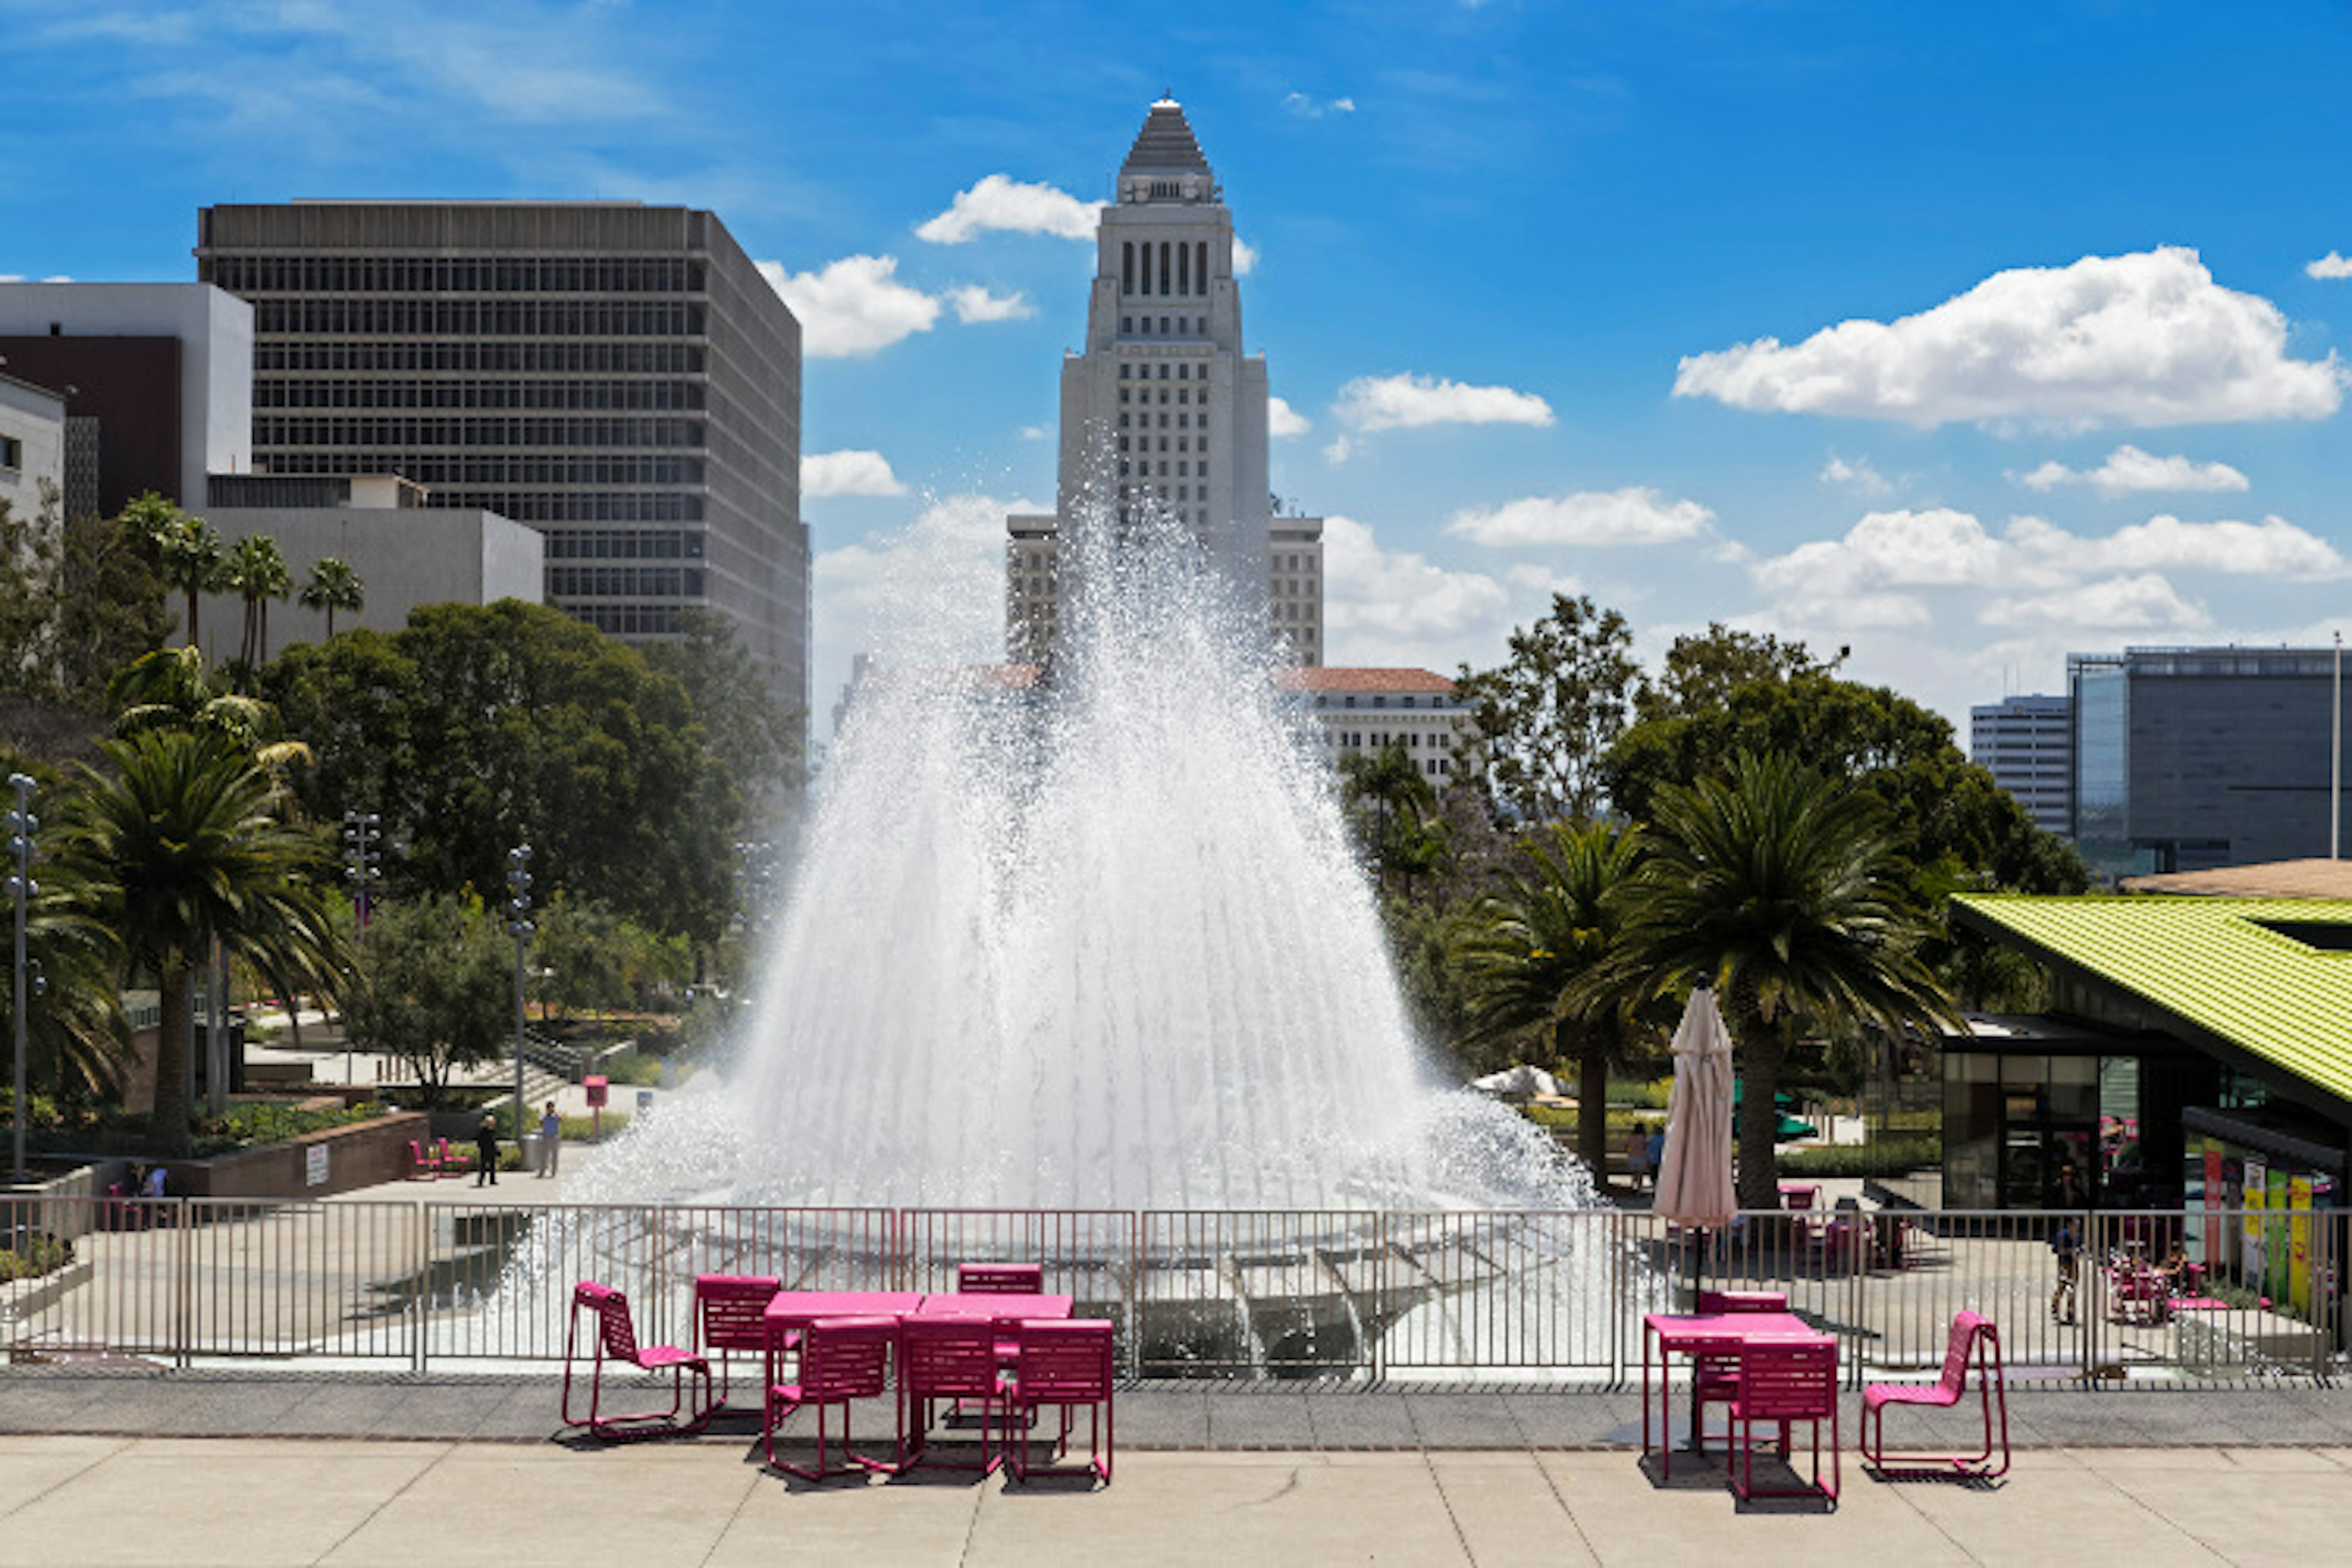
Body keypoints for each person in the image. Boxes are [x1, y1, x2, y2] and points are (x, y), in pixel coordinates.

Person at [2050, 1217, 2079, 1325]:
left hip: (2074, 1263)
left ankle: (2070, 1311)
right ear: (2069, 1225)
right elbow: (2057, 1250)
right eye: (2074, 1226)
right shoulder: (2062, 1236)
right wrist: (2069, 1251)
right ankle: (2055, 1305)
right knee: (2062, 1286)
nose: (2076, 1229)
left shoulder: (2077, 1236)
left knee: (2073, 1287)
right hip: (2064, 1263)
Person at [538, 1101, 561, 1178]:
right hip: (546, 1136)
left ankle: (553, 1172)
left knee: (555, 1156)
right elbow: (541, 1122)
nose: (551, 1109)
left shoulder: (556, 1116)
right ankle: (542, 1171)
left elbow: (560, 1119)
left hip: (554, 1136)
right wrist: (547, 1115)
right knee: (544, 1156)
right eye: (549, 1108)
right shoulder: (543, 1116)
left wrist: (555, 1113)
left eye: (552, 1107)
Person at [475, 1115, 500, 1187]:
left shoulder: (493, 1131)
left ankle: (492, 1180)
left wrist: (496, 1150)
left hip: (492, 1150)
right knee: (483, 1167)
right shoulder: (483, 1131)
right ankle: (480, 1181)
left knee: (492, 1166)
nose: (491, 1125)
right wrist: (482, 1147)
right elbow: (480, 1141)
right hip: (485, 1151)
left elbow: (494, 1142)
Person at [1623, 1126, 1650, 1191]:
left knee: (1633, 1175)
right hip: (1641, 1157)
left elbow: (1626, 1145)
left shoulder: (1631, 1137)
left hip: (1632, 1157)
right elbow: (1647, 1145)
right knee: (1640, 1176)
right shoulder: (1643, 1137)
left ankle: (1632, 1187)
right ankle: (1639, 1189)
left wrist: (1627, 1151)